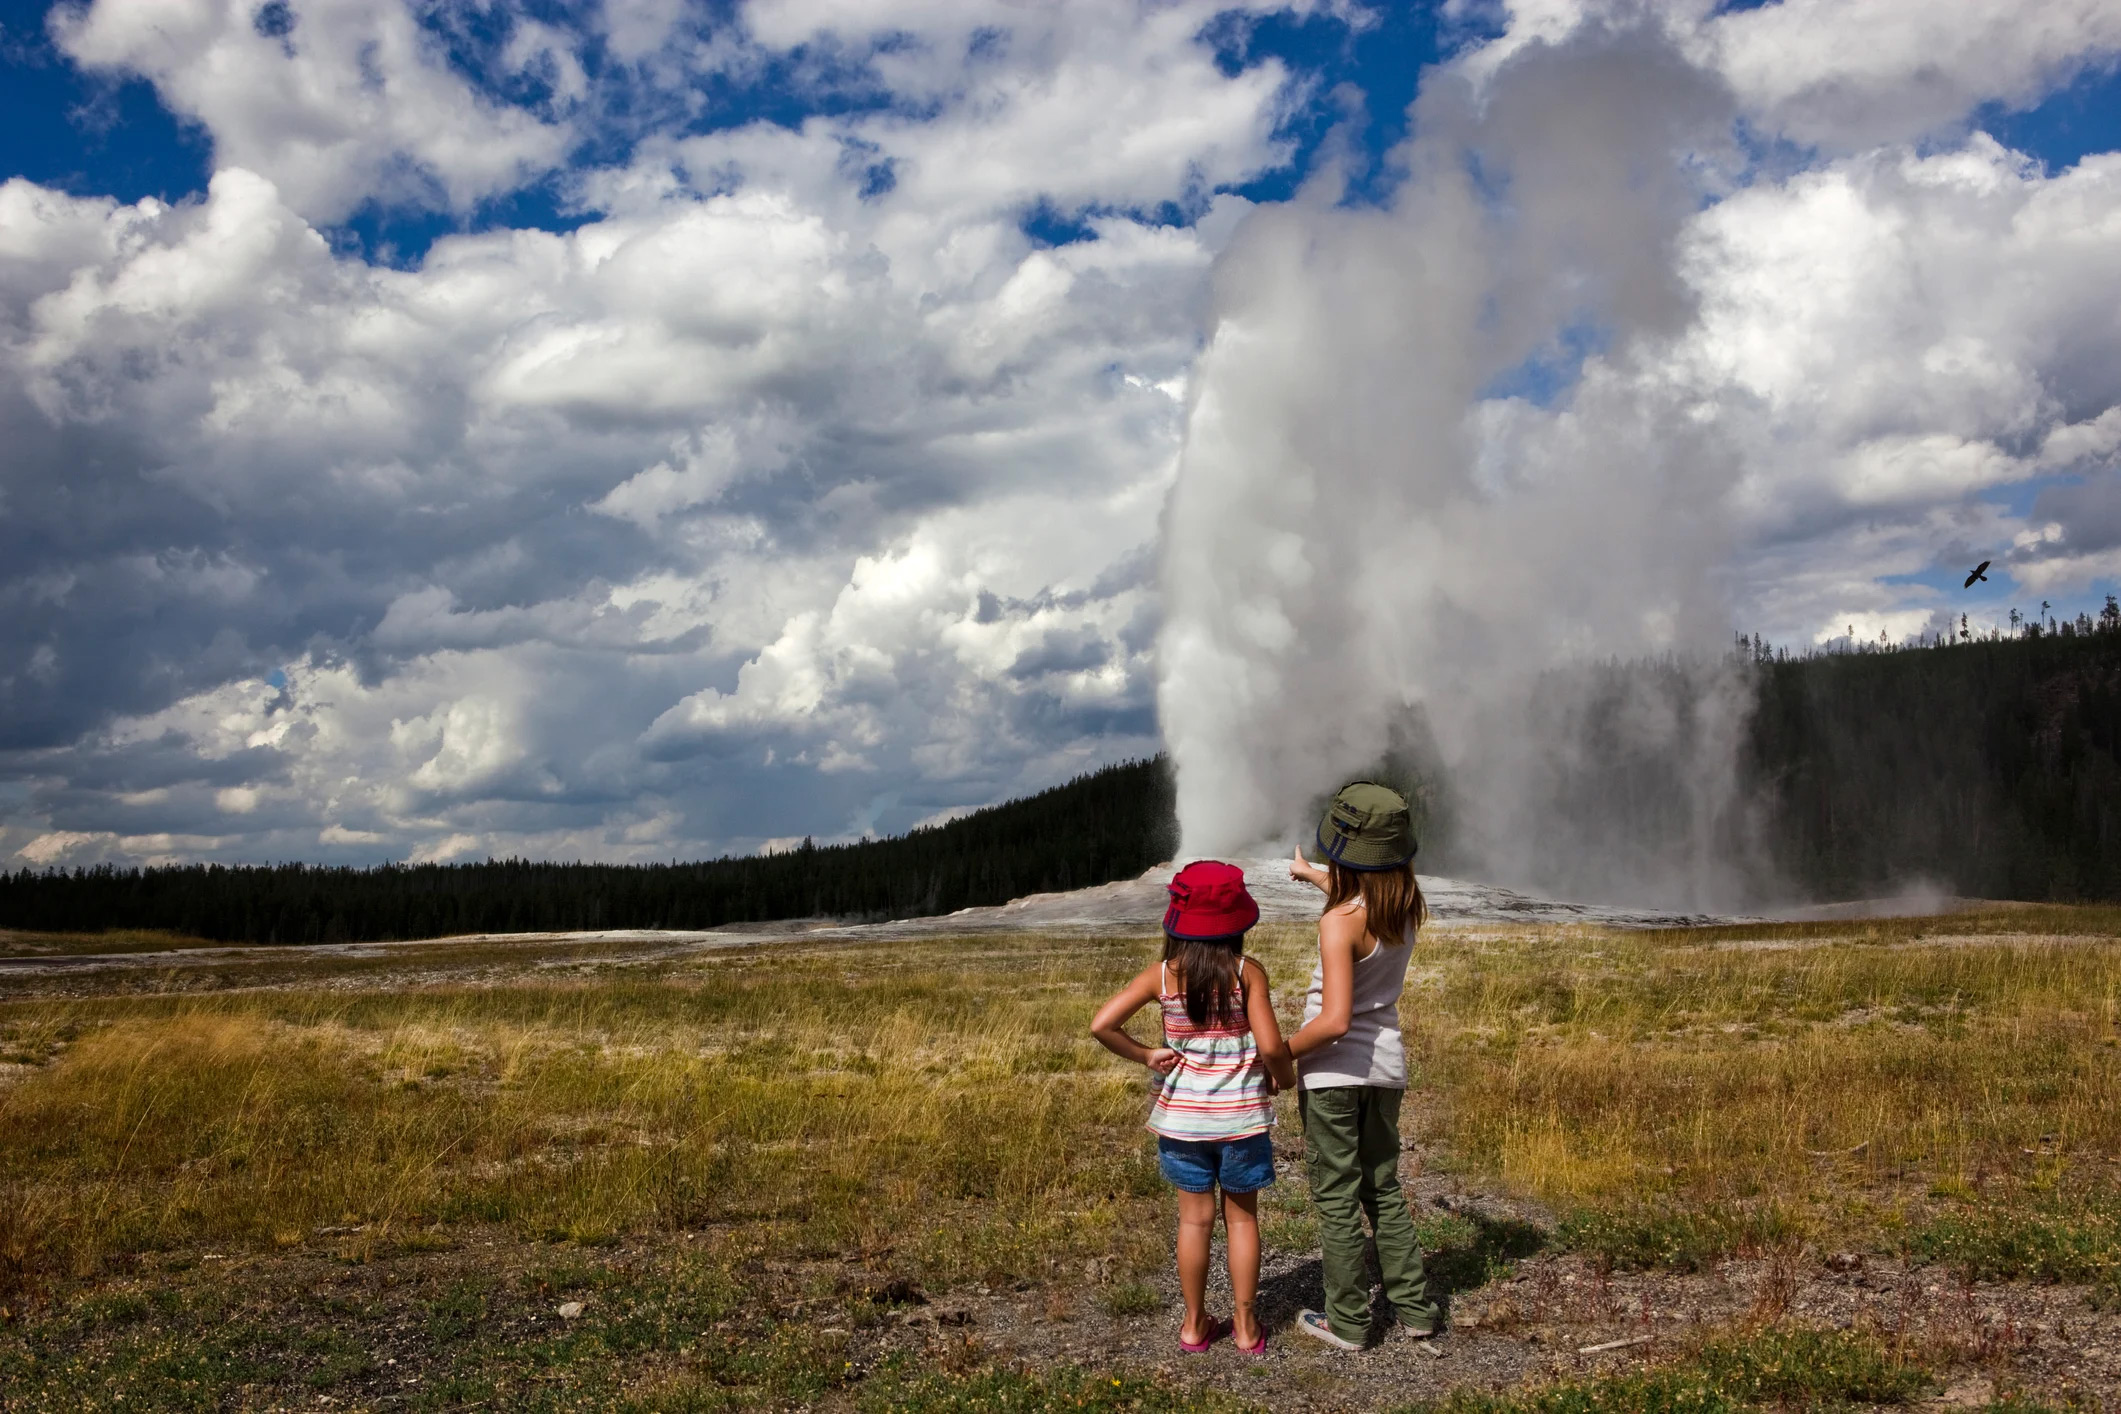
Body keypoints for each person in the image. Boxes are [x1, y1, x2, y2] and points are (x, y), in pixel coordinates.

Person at [1091, 859, 1296, 1354]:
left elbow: (1102, 1024)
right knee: (1242, 1220)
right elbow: (1271, 1047)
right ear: (1236, 924)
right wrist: (1283, 1078)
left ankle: (1193, 1324)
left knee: (1194, 1222)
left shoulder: (1161, 976)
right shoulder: (1247, 974)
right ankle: (1247, 1328)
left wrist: (1145, 1054)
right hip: (1242, 1120)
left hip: (1181, 1123)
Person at [1285, 781, 1440, 1350]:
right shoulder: (1405, 908)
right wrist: (1312, 878)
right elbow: (1358, 898)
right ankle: (1416, 1308)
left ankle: (1348, 1321)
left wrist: (1276, 1051)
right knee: (1383, 1186)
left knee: (1336, 1194)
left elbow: (1333, 1021)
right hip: (1384, 1071)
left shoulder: (1338, 922)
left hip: (1331, 1075)